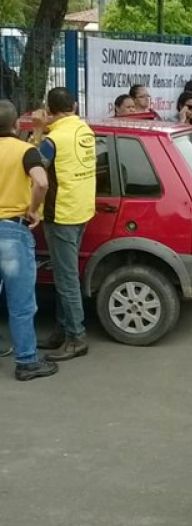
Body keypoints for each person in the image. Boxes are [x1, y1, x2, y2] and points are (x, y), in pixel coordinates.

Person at [34, 88, 96, 361]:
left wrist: (37, 130)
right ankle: (62, 329)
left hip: (61, 214)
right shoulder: (85, 130)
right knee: (66, 275)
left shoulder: (52, 139)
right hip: (82, 209)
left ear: (49, 109)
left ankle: (76, 337)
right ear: (74, 105)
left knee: (66, 279)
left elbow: (34, 169)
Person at [0, 100, 59, 381]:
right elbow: (42, 181)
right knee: (21, 302)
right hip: (12, 231)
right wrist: (33, 209)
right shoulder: (26, 152)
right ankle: (26, 361)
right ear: (15, 125)